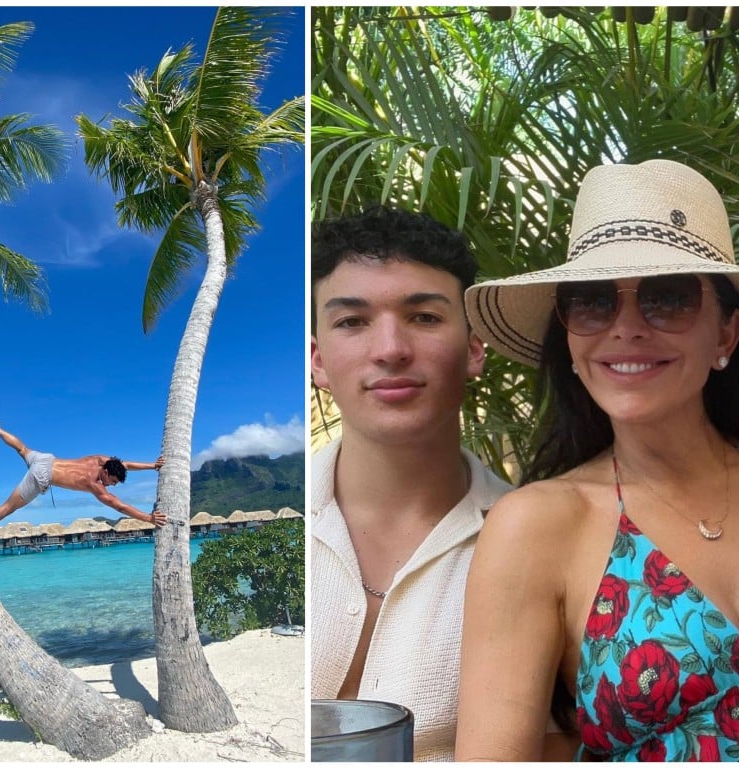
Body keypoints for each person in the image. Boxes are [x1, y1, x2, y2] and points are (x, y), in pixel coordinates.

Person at [456, 158, 739, 761]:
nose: (626, 328)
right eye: (591, 301)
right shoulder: (537, 526)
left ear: (725, 335)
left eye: (667, 297)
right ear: (569, 333)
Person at [310, 205, 517, 761]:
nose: (390, 348)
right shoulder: (291, 515)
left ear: (475, 349)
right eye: (352, 321)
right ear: (317, 360)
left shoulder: (532, 536)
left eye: (424, 317)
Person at [0, 420, 168, 536]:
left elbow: (125, 464)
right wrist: (148, 518)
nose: (111, 486)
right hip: (42, 475)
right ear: (107, 473)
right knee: (7, 508)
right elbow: (120, 506)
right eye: (113, 482)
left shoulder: (101, 460)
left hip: (46, 459)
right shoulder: (94, 485)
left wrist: (153, 466)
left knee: (21, 449)